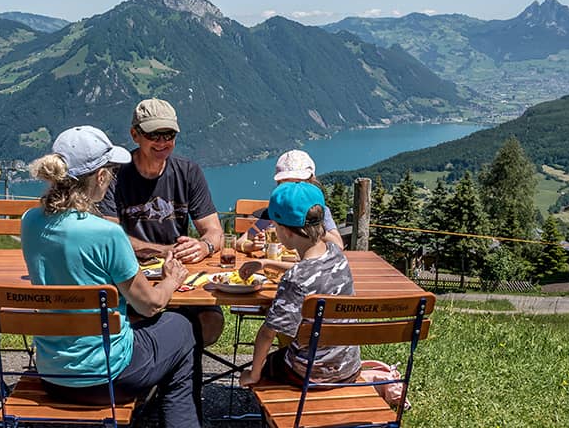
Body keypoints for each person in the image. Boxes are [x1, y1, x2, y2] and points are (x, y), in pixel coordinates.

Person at [21, 125, 200, 428]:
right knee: (182, 328)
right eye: (111, 171)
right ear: (101, 176)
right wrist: (172, 278)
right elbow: (150, 305)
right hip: (109, 376)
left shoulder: (31, 222)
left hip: (52, 374)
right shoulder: (107, 233)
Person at [99, 97, 225, 348]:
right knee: (156, 326)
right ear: (135, 135)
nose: (162, 142)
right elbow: (110, 238)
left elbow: (214, 232)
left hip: (180, 275)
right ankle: (162, 366)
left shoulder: (188, 172)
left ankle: (172, 366)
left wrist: (204, 247)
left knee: (211, 323)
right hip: (130, 279)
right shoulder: (115, 174)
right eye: (154, 134)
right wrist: (167, 250)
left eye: (168, 134)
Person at [239, 181, 361, 388]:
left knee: (261, 367)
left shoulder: (294, 280)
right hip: (348, 367)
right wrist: (267, 263)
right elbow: (312, 274)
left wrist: (253, 375)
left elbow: (268, 333)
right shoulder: (337, 255)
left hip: (311, 374)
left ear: (285, 231)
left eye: (274, 226)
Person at [236, 150, 345, 275]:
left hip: (307, 273)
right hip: (278, 272)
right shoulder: (275, 212)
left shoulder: (319, 212)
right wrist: (252, 246)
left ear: (311, 182)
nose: (293, 189)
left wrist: (309, 224)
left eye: (298, 182)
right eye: (287, 183)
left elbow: (338, 246)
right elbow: (240, 242)